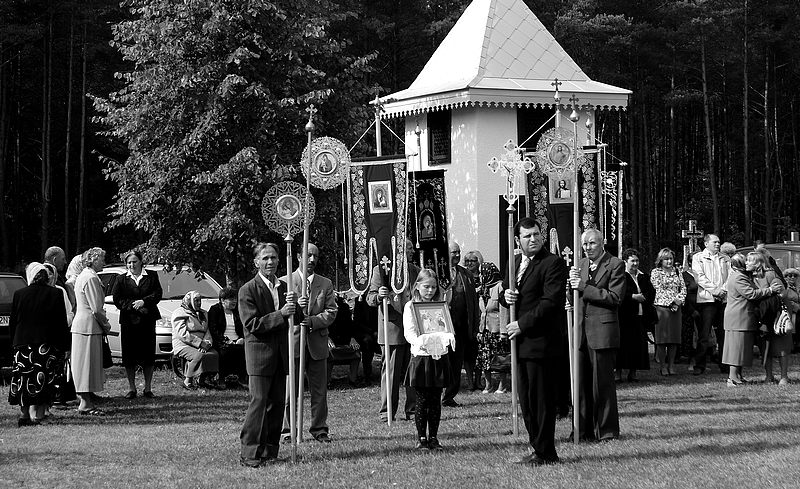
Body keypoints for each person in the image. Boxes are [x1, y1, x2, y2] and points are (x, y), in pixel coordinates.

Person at [501, 217, 566, 465]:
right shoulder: (515, 262)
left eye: (536, 234)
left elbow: (550, 302)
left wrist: (521, 324)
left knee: (541, 401)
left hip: (541, 343)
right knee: (527, 401)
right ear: (518, 240)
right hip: (520, 345)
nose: (533, 239)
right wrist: (506, 296)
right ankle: (536, 447)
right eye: (527, 236)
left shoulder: (552, 263)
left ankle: (546, 451)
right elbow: (509, 293)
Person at [237, 242, 299, 468]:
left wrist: (298, 305)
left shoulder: (285, 287)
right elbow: (252, 324)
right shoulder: (247, 290)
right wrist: (281, 314)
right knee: (259, 403)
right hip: (260, 356)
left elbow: (295, 317)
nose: (270, 262)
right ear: (256, 262)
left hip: (280, 355)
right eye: (265, 258)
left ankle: (270, 450)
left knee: (277, 404)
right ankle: (249, 452)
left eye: (273, 257)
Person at [569, 228, 624, 442]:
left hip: (602, 331)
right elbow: (575, 295)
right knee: (581, 384)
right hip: (580, 331)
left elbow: (615, 297)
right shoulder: (580, 265)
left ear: (602, 243)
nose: (588, 248)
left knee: (602, 384)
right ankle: (581, 430)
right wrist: (570, 289)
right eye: (585, 244)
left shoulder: (615, 264)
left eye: (592, 243)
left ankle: (607, 431)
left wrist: (585, 287)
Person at [281, 243, 337, 443]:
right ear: (298, 256)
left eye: (316, 256)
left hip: (317, 344)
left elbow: (331, 311)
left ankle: (319, 429)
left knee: (319, 391)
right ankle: (288, 430)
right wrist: (296, 308)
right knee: (290, 392)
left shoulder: (325, 283)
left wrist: (312, 321)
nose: (312, 260)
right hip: (293, 344)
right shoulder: (285, 282)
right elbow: (279, 313)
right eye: (308, 255)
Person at [8, 263, 70, 426]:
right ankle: (39, 415)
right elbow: (61, 323)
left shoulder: (19, 294)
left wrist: (14, 343)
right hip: (46, 344)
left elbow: (13, 321)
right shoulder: (55, 293)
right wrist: (65, 346)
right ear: (47, 277)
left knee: (23, 380)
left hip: (23, 344)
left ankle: (24, 415)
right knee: (44, 379)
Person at [367, 239, 419, 422]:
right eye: (408, 248)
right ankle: (387, 412)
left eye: (411, 248)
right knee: (391, 373)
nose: (412, 251)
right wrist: (379, 296)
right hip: (392, 329)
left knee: (413, 370)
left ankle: (413, 410)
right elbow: (370, 298)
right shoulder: (381, 270)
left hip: (413, 329)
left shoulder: (415, 271)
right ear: (398, 251)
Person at [403, 269, 455, 451]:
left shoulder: (440, 306)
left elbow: (446, 327)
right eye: (426, 287)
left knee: (435, 399)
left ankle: (433, 437)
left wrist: (444, 338)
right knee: (422, 399)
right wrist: (423, 341)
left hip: (438, 356)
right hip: (422, 357)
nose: (430, 291)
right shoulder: (410, 306)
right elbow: (409, 332)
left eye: (433, 287)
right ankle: (421, 438)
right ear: (417, 286)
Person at [111, 251, 163, 399]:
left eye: (134, 262)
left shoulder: (152, 276)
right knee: (129, 356)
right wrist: (133, 306)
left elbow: (157, 294)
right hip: (129, 322)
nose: (132, 265)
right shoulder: (121, 279)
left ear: (141, 262)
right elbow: (117, 299)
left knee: (148, 355)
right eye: (129, 262)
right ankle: (132, 388)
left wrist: (144, 302)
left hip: (147, 321)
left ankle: (148, 388)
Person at [721, 252, 778, 386]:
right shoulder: (739, 277)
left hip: (741, 317)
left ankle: (738, 376)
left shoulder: (738, 275)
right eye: (745, 261)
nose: (746, 263)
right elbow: (751, 294)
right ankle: (732, 378)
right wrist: (770, 290)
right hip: (738, 317)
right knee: (736, 348)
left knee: (740, 347)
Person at [71, 247, 112, 416]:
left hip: (85, 327)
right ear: (93, 260)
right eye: (102, 259)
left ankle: (86, 400)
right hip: (88, 327)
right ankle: (85, 403)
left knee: (84, 365)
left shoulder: (85, 276)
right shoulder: (90, 278)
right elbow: (96, 308)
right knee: (86, 365)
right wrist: (106, 325)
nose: (104, 262)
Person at [442, 242, 480, 406]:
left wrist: (474, 326)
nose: (457, 255)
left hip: (462, 327)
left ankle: (449, 396)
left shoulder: (466, 274)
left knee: (456, 363)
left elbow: (473, 302)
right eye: (453, 252)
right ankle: (438, 393)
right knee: (442, 362)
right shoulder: (439, 273)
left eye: (458, 252)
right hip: (443, 327)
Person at [692, 234, 729, 375]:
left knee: (723, 334)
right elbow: (699, 277)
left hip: (723, 300)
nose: (718, 244)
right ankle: (699, 365)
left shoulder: (725, 258)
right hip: (707, 300)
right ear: (706, 243)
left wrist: (723, 290)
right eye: (715, 242)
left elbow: (730, 275)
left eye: (719, 242)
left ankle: (724, 364)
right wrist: (715, 291)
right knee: (704, 334)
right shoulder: (698, 257)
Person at [616, 249, 653, 382]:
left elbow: (651, 292)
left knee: (637, 345)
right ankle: (618, 373)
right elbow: (618, 293)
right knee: (623, 345)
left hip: (640, 315)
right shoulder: (620, 276)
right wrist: (632, 296)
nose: (635, 263)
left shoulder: (643, 276)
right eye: (632, 261)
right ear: (625, 262)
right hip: (625, 316)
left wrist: (644, 297)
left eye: (637, 261)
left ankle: (633, 373)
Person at [752, 252, 789, 385]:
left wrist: (767, 295)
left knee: (780, 345)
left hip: (775, 314)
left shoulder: (771, 274)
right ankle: (769, 376)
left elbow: (782, 293)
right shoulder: (750, 277)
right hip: (762, 316)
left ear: (758, 263)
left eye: (750, 260)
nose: (746, 263)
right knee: (765, 346)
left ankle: (784, 376)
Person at [171, 290, 220, 390]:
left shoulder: (203, 313)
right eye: (196, 301)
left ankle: (202, 380)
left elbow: (207, 331)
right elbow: (182, 334)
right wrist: (199, 343)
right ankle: (187, 381)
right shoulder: (179, 313)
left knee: (214, 354)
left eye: (200, 300)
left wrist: (207, 343)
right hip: (183, 344)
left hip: (202, 344)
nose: (199, 303)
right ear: (189, 301)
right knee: (198, 355)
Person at [650, 248, 687, 376]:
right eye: (666, 259)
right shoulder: (656, 272)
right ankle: (662, 366)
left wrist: (678, 301)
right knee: (662, 339)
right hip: (662, 308)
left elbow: (683, 288)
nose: (669, 261)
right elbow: (657, 289)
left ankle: (671, 365)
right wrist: (671, 302)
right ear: (661, 260)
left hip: (676, 309)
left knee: (674, 339)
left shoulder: (677, 271)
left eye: (671, 258)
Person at [476, 262, 509, 394]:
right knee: (485, 358)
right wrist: (479, 330)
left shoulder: (499, 286)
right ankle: (488, 385)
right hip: (485, 329)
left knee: (500, 358)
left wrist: (504, 332)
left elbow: (504, 309)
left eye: (481, 273)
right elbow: (482, 311)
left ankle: (502, 385)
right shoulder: (482, 288)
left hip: (497, 330)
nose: (480, 275)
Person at [208, 287, 247, 387]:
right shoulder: (215, 310)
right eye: (231, 299)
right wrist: (226, 340)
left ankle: (242, 378)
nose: (234, 301)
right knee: (224, 352)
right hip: (221, 341)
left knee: (243, 350)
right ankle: (221, 379)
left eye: (235, 298)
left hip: (237, 340)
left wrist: (241, 338)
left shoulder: (237, 311)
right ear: (222, 300)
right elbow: (214, 329)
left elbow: (243, 327)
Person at [771, 267, 799, 384]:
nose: (792, 277)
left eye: (795, 275)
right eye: (789, 275)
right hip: (786, 318)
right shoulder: (784, 287)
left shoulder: (797, 288)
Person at [680, 252, 701, 365]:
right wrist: (691, 310)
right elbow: (683, 294)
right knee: (690, 335)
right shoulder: (684, 276)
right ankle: (691, 360)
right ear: (689, 262)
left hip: (702, 307)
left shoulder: (703, 274)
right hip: (689, 309)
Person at [44, 246, 76, 310]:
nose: (65, 262)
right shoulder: (49, 276)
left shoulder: (42, 274)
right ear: (54, 260)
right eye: (63, 259)